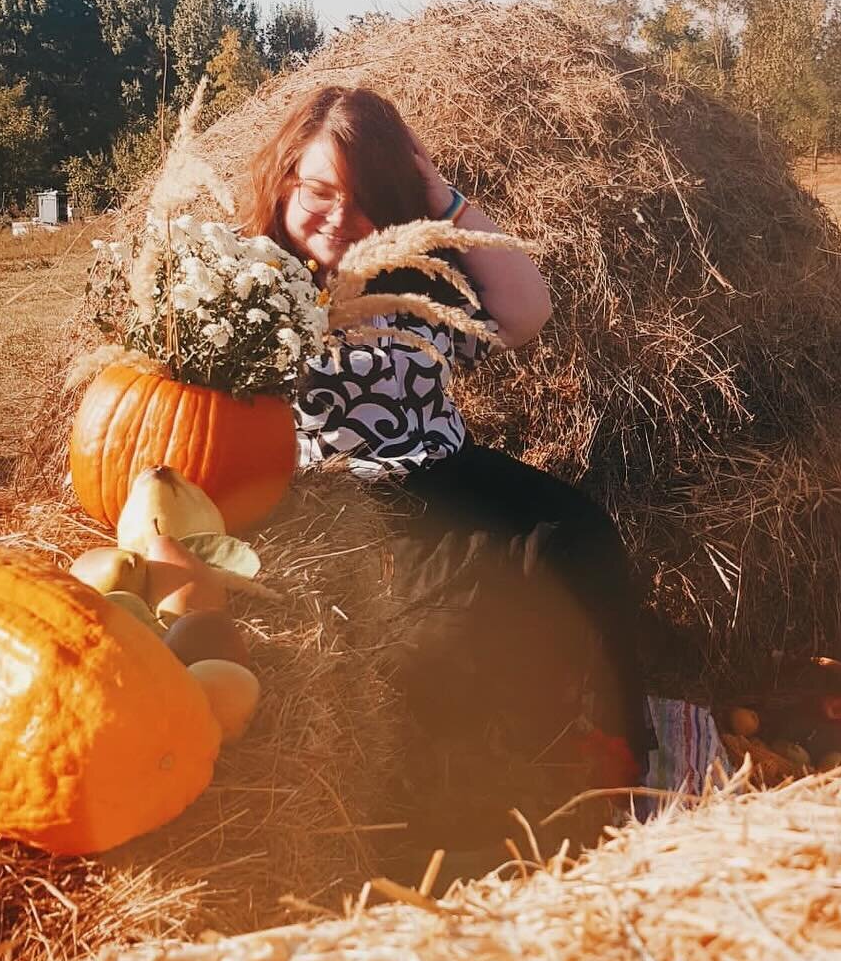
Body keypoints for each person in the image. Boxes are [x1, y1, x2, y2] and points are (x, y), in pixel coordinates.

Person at [241, 86, 651, 785]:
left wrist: (440, 193)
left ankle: (622, 743)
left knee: (585, 538)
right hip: (341, 493)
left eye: (366, 195)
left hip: (448, 467)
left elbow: (527, 313)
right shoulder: (245, 281)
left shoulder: (414, 271)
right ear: (283, 180)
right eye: (319, 191)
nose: (341, 217)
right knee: (454, 628)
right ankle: (499, 774)